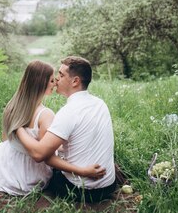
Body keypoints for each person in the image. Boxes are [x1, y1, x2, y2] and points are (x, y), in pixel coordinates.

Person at [0, 60, 105, 196]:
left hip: (5, 163)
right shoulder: (46, 115)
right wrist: (82, 169)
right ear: (41, 84)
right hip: (28, 174)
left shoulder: (11, 107)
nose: (56, 82)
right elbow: (46, 155)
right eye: (52, 80)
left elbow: (6, 140)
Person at [16, 56, 116, 202]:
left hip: (80, 190)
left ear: (75, 81)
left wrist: (18, 128)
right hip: (108, 185)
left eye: (61, 75)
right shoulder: (100, 103)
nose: (56, 79)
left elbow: (39, 155)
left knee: (48, 169)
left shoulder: (68, 112)